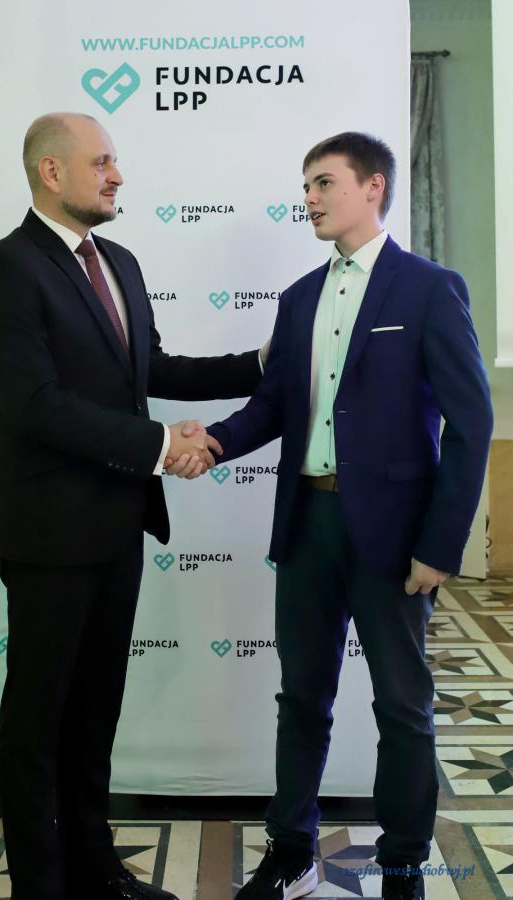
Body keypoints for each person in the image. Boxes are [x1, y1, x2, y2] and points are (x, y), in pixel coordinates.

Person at [179, 132, 493, 900]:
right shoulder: (298, 299)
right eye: (306, 187)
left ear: (373, 186)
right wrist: (215, 442)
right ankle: (291, 850)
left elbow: (472, 421)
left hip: (396, 538)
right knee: (301, 700)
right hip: (307, 527)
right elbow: (274, 406)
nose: (310, 199)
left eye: (324, 183)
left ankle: (404, 866)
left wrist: (441, 544)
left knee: (404, 708)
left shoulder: (429, 288)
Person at [0, 111, 268, 900]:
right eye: (101, 162)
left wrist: (262, 362)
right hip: (47, 530)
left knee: (97, 709)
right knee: (38, 720)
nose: (118, 176)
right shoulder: (4, 270)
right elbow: (33, 404)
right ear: (51, 172)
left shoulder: (122, 263)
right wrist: (160, 444)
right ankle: (41, 885)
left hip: (117, 523)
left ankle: (96, 868)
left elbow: (151, 368)